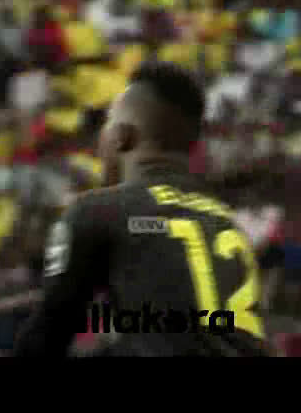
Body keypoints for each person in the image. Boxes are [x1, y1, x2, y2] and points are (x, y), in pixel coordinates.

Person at [14, 61, 268, 357]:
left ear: (123, 137)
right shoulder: (225, 220)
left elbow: (47, 335)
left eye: (107, 124)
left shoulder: (99, 210)